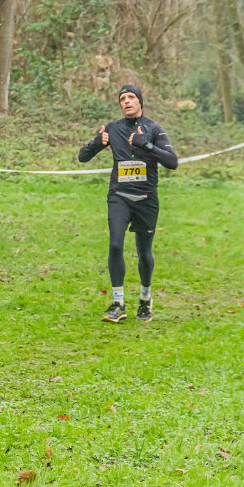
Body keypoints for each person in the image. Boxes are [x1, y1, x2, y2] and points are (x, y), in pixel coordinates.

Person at [78, 85, 178, 322]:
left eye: (131, 97)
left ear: (140, 101)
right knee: (115, 245)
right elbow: (82, 157)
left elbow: (172, 162)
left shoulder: (154, 129)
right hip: (119, 196)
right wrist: (96, 143)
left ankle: (145, 299)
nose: (126, 101)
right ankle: (118, 303)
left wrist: (146, 145)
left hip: (146, 199)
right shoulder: (113, 128)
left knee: (144, 252)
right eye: (122, 98)